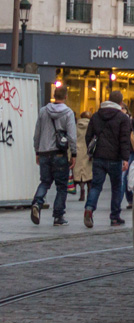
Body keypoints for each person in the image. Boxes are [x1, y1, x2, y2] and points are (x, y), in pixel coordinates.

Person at [84, 90, 134, 228]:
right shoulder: (122, 118)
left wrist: (92, 151)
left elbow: (88, 136)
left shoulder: (96, 116)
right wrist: (125, 158)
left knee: (96, 186)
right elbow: (124, 140)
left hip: (99, 157)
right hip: (115, 158)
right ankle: (115, 217)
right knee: (116, 187)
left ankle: (89, 208)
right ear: (120, 102)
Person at [30, 87, 77, 226]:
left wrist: (37, 151)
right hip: (59, 153)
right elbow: (72, 136)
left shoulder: (43, 111)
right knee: (61, 186)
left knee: (45, 182)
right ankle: (58, 216)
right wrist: (73, 154)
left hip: (44, 152)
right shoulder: (68, 113)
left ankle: (37, 203)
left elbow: (37, 133)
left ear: (53, 96)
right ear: (66, 96)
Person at [74, 110, 93, 202]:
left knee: (80, 174)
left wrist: (70, 154)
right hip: (88, 151)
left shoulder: (75, 126)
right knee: (89, 174)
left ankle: (82, 192)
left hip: (78, 151)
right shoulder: (92, 126)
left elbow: (72, 139)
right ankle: (90, 193)